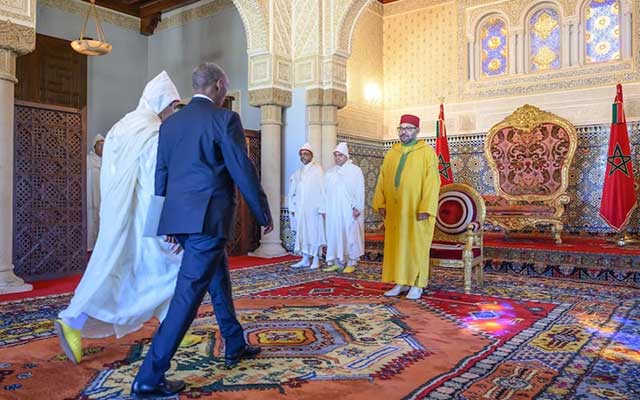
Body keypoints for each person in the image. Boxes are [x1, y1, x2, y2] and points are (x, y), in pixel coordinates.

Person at [131, 62, 273, 399]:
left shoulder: (170, 124)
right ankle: (148, 378)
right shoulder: (225, 119)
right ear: (219, 85)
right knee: (187, 296)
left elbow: (161, 174)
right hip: (208, 220)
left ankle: (234, 343)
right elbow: (241, 168)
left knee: (217, 278)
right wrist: (262, 211)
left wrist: (164, 222)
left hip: (181, 221)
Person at [54, 71, 187, 365]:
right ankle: (75, 320)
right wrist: (167, 220)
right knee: (169, 269)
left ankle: (170, 326)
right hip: (143, 216)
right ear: (161, 102)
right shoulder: (152, 132)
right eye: (172, 106)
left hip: (118, 215)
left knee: (115, 270)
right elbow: (155, 181)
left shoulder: (122, 126)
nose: (173, 112)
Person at [372, 114, 439, 300]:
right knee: (398, 247)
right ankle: (401, 282)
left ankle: (417, 284)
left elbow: (432, 182)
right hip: (395, 211)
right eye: (401, 128)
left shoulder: (427, 152)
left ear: (417, 131)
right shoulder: (392, 153)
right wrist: (381, 202)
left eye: (408, 128)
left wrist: (426, 207)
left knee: (416, 246)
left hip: (416, 210)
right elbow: (382, 178)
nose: (404, 132)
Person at [322, 142, 365, 273]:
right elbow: (325, 192)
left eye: (340, 155)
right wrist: (324, 209)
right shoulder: (330, 172)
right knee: (334, 234)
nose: (337, 158)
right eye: (335, 155)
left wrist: (357, 207)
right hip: (333, 209)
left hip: (348, 210)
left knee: (350, 234)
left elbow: (359, 190)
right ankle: (338, 262)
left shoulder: (355, 171)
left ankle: (352, 262)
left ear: (346, 156)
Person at [288, 143, 326, 269]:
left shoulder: (318, 170)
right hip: (301, 209)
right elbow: (293, 190)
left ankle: (316, 259)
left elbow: (323, 190)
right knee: (303, 234)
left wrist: (322, 207)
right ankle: (305, 259)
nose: (303, 156)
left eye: (306, 154)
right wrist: (293, 206)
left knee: (314, 234)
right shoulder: (298, 172)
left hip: (314, 209)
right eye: (301, 154)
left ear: (311, 155)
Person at [87, 134, 104, 251]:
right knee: (91, 219)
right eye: (99, 145)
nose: (102, 148)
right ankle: (90, 247)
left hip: (103, 197)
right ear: (94, 146)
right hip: (91, 195)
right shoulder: (88, 159)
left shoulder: (108, 161)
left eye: (104, 145)